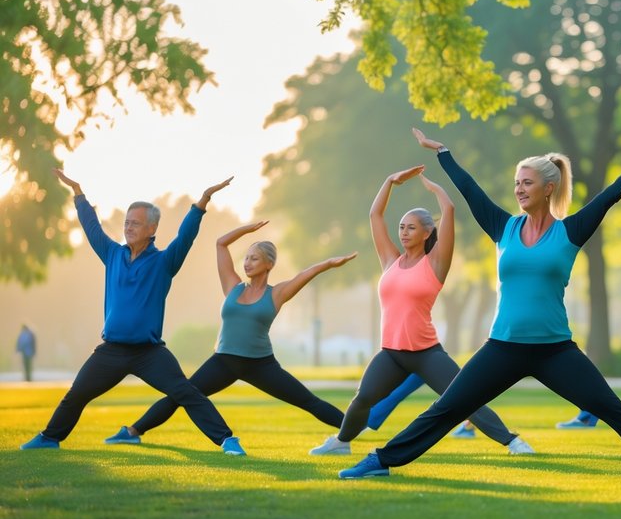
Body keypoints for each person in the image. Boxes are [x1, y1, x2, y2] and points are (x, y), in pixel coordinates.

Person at [336, 129, 621, 480]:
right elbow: (471, 191)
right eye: (517, 183)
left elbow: (610, 196)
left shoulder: (571, 230)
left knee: (613, 409)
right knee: (447, 408)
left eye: (527, 183)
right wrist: (444, 153)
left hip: (555, 350)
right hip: (503, 346)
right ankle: (381, 461)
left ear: (549, 188)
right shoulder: (504, 228)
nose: (519, 189)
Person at [309, 165, 531, 457]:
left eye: (411, 227)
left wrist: (435, 189)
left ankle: (513, 442)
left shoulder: (436, 263)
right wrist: (389, 181)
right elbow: (375, 216)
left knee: (465, 399)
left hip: (427, 354)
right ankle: (341, 442)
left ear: (428, 232)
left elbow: (448, 209)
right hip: (391, 353)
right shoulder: (390, 260)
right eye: (401, 227)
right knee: (363, 398)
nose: (403, 232)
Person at [21, 170, 244, 455]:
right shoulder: (112, 254)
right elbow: (92, 228)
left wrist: (202, 200)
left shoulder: (164, 262)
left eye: (135, 223)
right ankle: (50, 437)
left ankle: (227, 440)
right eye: (127, 223)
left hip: (149, 353)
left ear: (152, 229)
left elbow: (185, 236)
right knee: (76, 395)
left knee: (186, 393)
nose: (128, 228)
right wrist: (78, 193)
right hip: (111, 351)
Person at [104, 221, 356, 446]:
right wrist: (247, 230)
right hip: (223, 361)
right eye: (246, 258)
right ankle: (133, 431)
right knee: (180, 394)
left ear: (269, 264)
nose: (247, 263)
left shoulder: (276, 294)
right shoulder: (232, 286)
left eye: (254, 258)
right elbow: (221, 243)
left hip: (261, 365)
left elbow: (306, 274)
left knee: (307, 401)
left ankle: (354, 429)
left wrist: (329, 264)